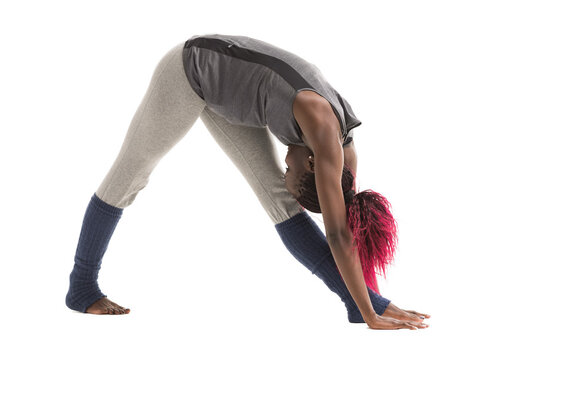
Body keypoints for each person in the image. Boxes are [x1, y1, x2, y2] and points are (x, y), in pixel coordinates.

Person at [65, 33, 430, 330]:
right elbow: (335, 235)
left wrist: (370, 301)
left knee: (279, 200)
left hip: (234, 97)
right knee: (132, 172)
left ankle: (352, 300)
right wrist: (371, 316)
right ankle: (81, 286)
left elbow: (347, 227)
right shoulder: (319, 127)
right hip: (191, 69)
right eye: (292, 171)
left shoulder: (342, 161)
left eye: (288, 171)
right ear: (314, 162)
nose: (285, 168)